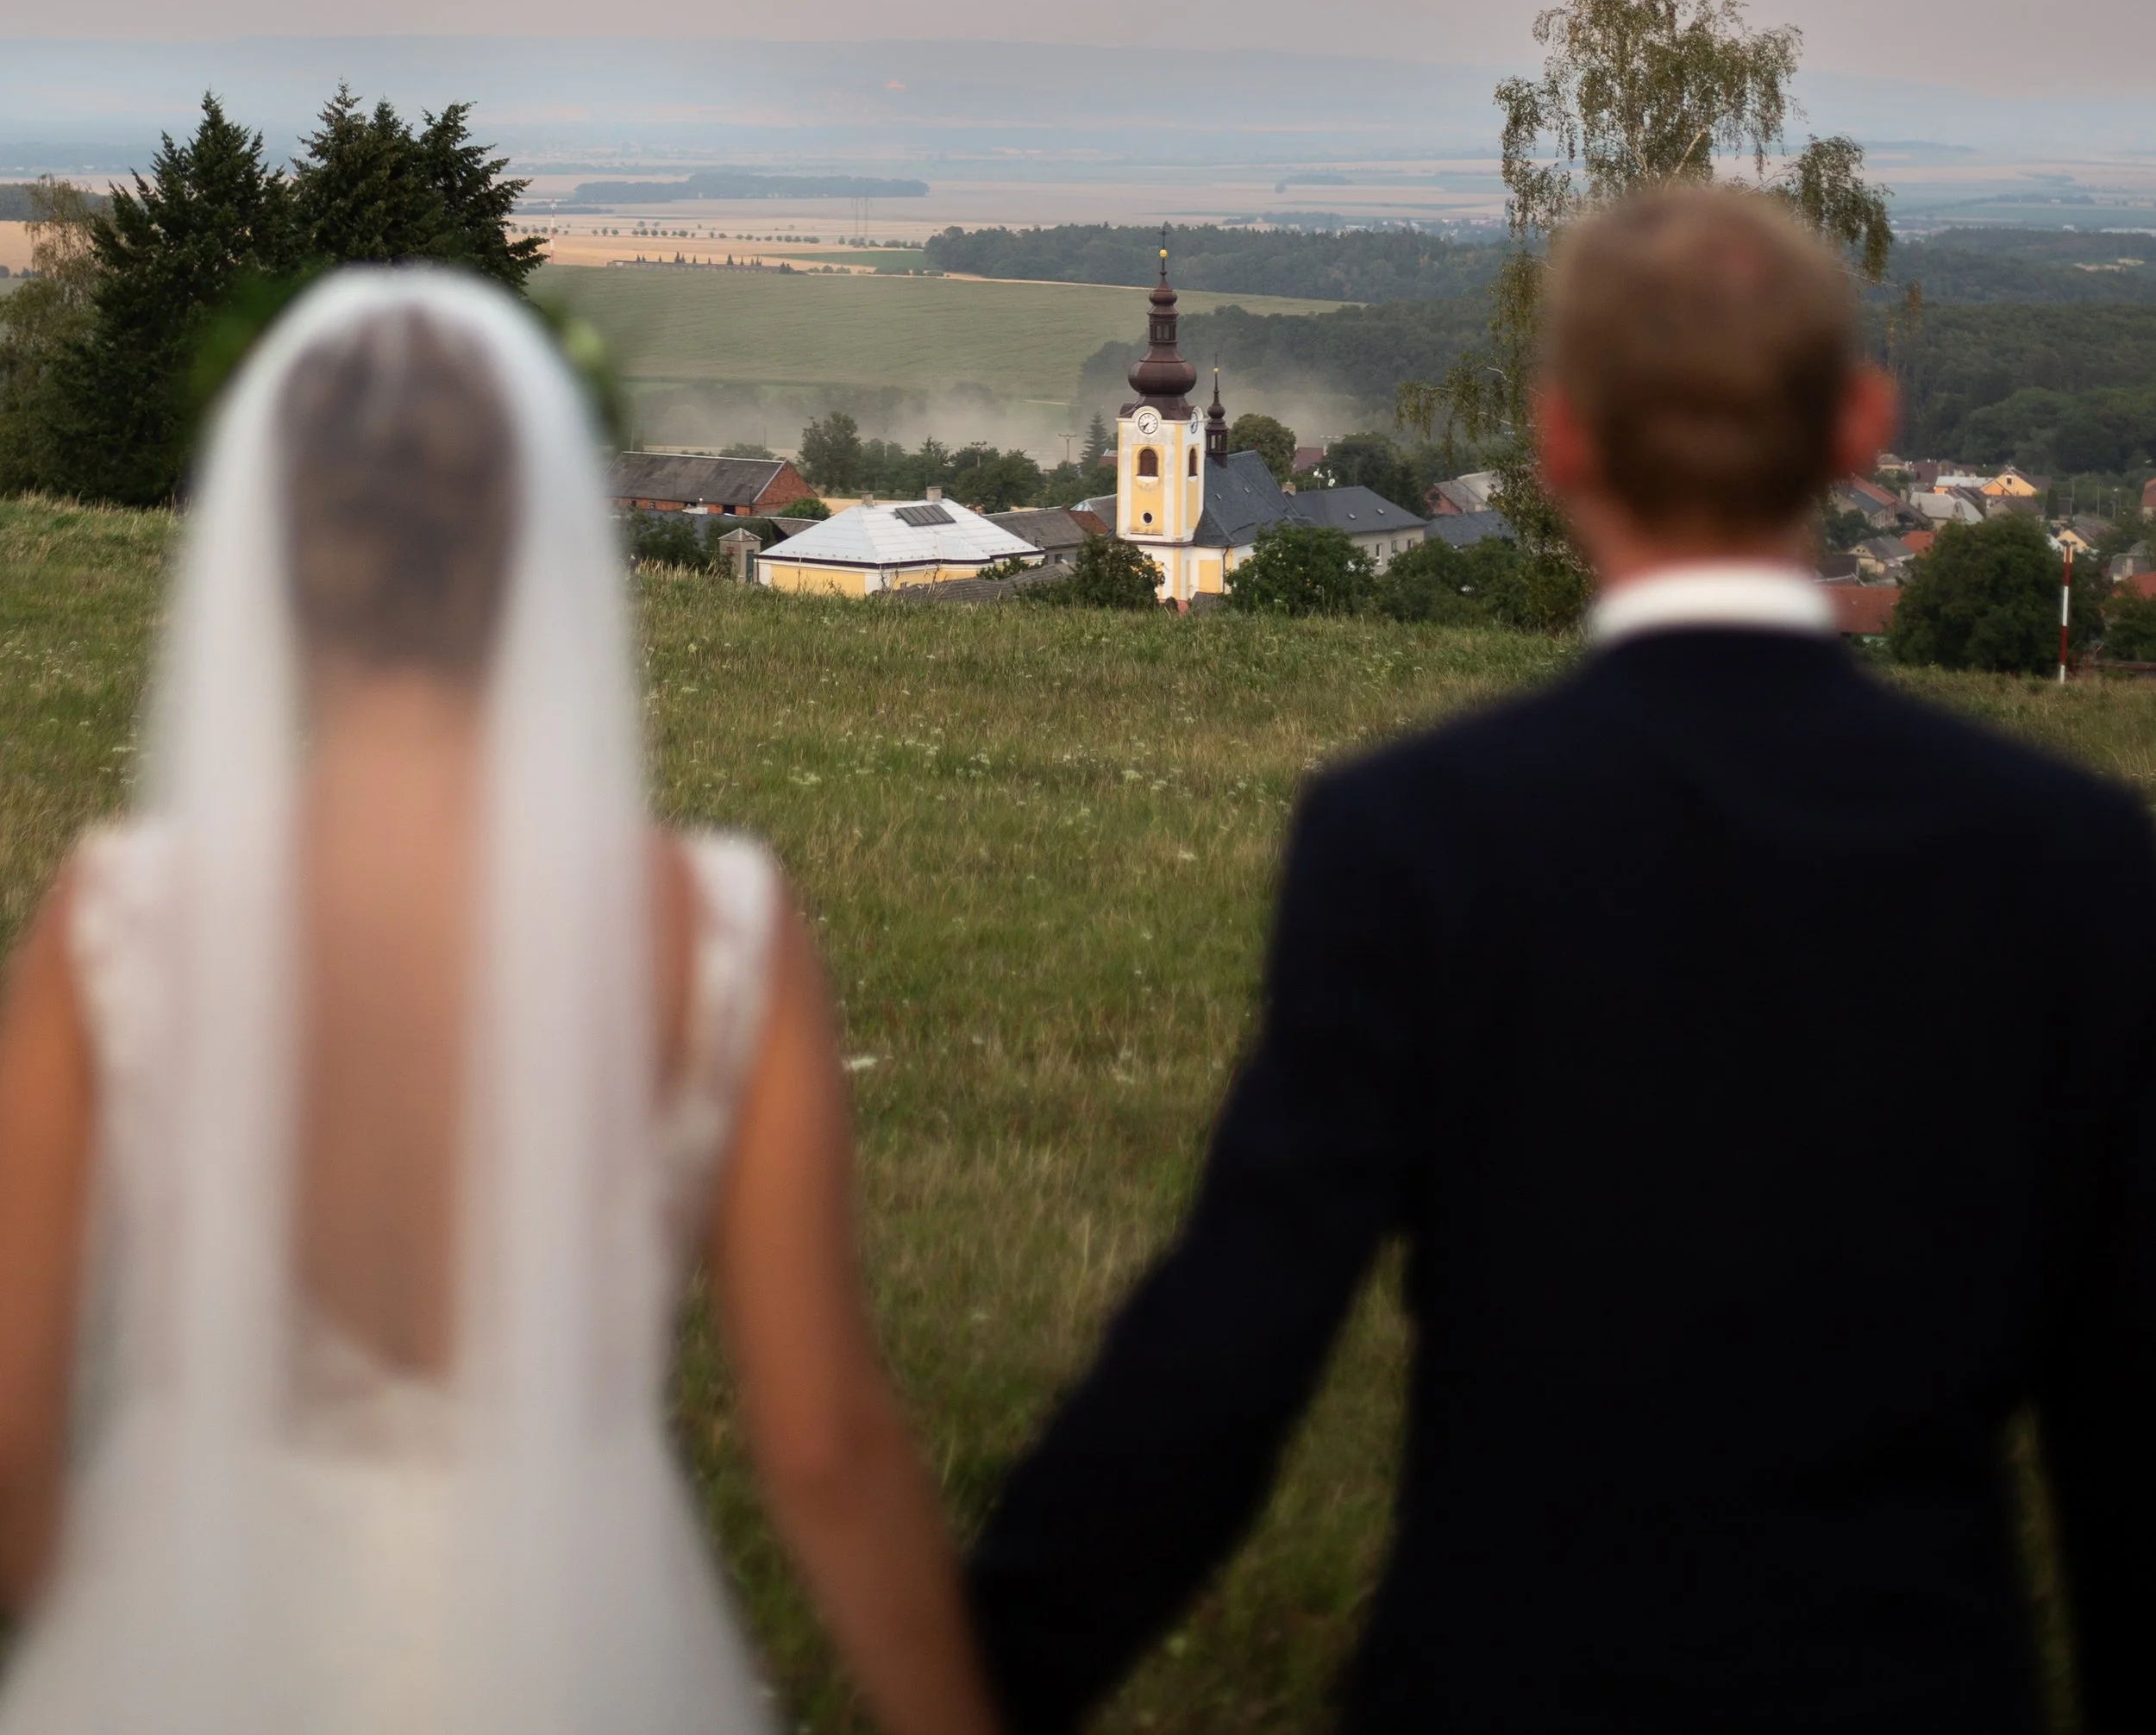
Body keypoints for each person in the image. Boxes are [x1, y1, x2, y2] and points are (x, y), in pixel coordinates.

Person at [968, 184, 2156, 1734]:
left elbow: (1219, 1365)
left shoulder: (1413, 840)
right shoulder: (2073, 858)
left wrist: (975, 1676)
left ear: (1561, 441)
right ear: (1862, 425)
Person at [0, 270, 997, 1735]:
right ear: (539, 550)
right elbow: (824, 1446)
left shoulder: (116, 923)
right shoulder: (717, 929)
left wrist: (137, 1634)